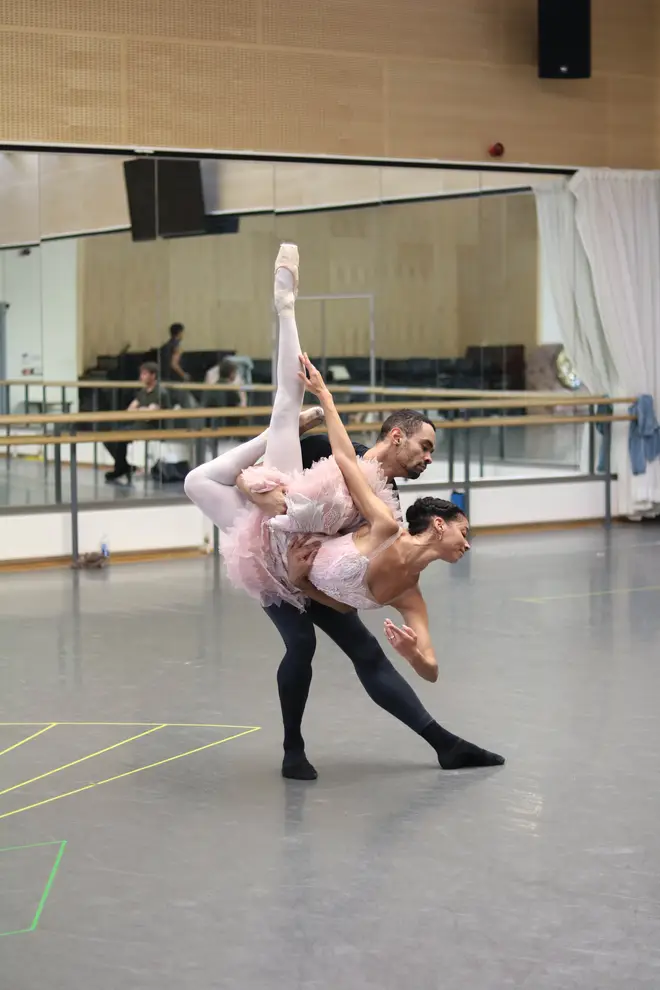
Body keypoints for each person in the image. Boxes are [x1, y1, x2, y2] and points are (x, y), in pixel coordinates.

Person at [185, 244, 504, 778]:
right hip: (269, 552)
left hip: (311, 567)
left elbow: (368, 542)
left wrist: (326, 578)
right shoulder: (343, 455)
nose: (428, 459)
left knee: (367, 653)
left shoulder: (390, 504)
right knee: (270, 425)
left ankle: (444, 744)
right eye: (424, 448)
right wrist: (260, 486)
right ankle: (292, 749)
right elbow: (291, 465)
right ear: (396, 436)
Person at [104, 361, 172, 482]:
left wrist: (140, 410)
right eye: (141, 374)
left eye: (145, 374)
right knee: (108, 437)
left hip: (151, 427)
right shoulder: (142, 392)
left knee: (119, 437)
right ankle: (123, 466)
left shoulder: (159, 392)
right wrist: (142, 410)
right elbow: (130, 410)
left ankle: (122, 468)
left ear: (153, 375)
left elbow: (149, 415)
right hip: (138, 425)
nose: (141, 377)